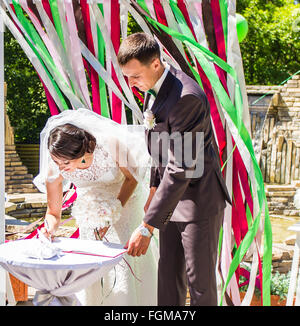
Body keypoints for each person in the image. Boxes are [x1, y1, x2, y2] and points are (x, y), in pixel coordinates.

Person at [117, 32, 231, 306]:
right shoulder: (154, 88)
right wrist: (154, 190)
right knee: (168, 277)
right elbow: (159, 149)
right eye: (127, 77)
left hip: (197, 202)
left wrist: (146, 226)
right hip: (170, 198)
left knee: (199, 284)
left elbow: (181, 167)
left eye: (135, 76)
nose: (131, 84)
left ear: (156, 63)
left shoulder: (185, 97)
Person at [33, 108, 157, 306]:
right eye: (56, 161)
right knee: (92, 274)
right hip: (90, 215)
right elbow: (53, 213)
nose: (59, 167)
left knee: (124, 271)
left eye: (65, 162)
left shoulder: (110, 144)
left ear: (82, 153)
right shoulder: (54, 166)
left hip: (125, 204)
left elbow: (132, 178)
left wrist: (113, 211)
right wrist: (50, 228)